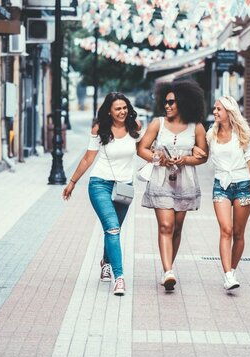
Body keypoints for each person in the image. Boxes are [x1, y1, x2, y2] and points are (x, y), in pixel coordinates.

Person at [63, 92, 141, 296]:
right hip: (100, 184)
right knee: (113, 229)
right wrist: (72, 182)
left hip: (125, 186)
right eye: (118, 109)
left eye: (124, 107)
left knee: (113, 229)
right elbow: (88, 159)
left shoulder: (135, 126)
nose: (122, 112)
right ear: (109, 111)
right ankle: (119, 278)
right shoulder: (100, 129)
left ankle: (105, 262)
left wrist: (158, 160)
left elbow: (142, 150)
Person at [137, 80, 208, 291]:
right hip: (161, 180)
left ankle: (167, 268)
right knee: (166, 226)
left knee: (177, 228)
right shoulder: (157, 124)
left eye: (171, 102)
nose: (166, 106)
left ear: (184, 102)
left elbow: (203, 156)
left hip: (185, 182)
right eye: (165, 102)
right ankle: (168, 271)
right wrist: (157, 158)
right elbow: (141, 148)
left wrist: (185, 159)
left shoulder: (197, 127)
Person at [206, 95, 250, 291]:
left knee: (238, 233)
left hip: (243, 185)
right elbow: (202, 153)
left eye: (218, 109)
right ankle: (228, 275)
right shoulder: (211, 134)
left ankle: (233, 269)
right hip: (221, 185)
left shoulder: (242, 133)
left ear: (229, 112)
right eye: (214, 108)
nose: (214, 112)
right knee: (226, 229)